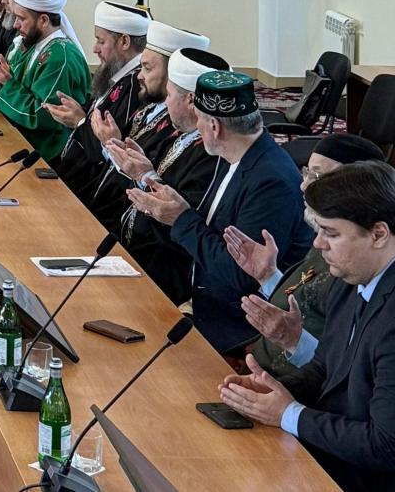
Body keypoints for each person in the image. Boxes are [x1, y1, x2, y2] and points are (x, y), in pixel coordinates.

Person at [219, 161, 395, 492]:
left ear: (378, 234)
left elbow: (385, 445)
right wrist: (269, 392)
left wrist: (289, 414)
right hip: (325, 455)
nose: (317, 244)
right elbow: (325, 368)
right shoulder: (350, 279)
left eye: (331, 233)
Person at [127, 69, 311, 353]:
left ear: (214, 126)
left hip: (234, 326)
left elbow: (242, 275)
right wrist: (165, 209)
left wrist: (180, 218)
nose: (196, 128)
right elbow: (208, 230)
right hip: (198, 297)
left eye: (199, 119)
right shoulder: (234, 156)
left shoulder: (271, 183)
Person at [226, 134, 388, 378]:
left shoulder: (356, 264)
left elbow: (343, 372)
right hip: (260, 367)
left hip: (289, 384)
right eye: (307, 173)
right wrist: (268, 275)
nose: (304, 186)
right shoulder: (328, 237)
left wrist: (293, 340)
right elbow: (303, 298)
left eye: (318, 177)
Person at [106, 47, 229, 302]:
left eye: (170, 94)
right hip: (133, 249)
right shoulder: (180, 135)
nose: (166, 102)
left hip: (165, 277)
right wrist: (135, 165)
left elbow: (183, 227)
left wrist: (145, 175)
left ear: (191, 100)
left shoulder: (213, 155)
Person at [75, 20, 211, 229]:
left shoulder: (192, 137)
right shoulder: (150, 109)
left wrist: (116, 150)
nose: (139, 75)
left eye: (147, 67)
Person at [0, 0, 90, 161]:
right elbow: (10, 86)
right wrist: (1, 79)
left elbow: (41, 116)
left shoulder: (59, 56)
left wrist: (6, 84)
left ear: (43, 20)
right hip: (18, 140)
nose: (16, 25)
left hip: (47, 155)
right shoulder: (32, 45)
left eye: (21, 18)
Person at [45, 1, 151, 191]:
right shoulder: (118, 73)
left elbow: (107, 150)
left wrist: (79, 121)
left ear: (124, 42)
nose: (95, 49)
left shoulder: (136, 85)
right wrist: (77, 112)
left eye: (101, 41)